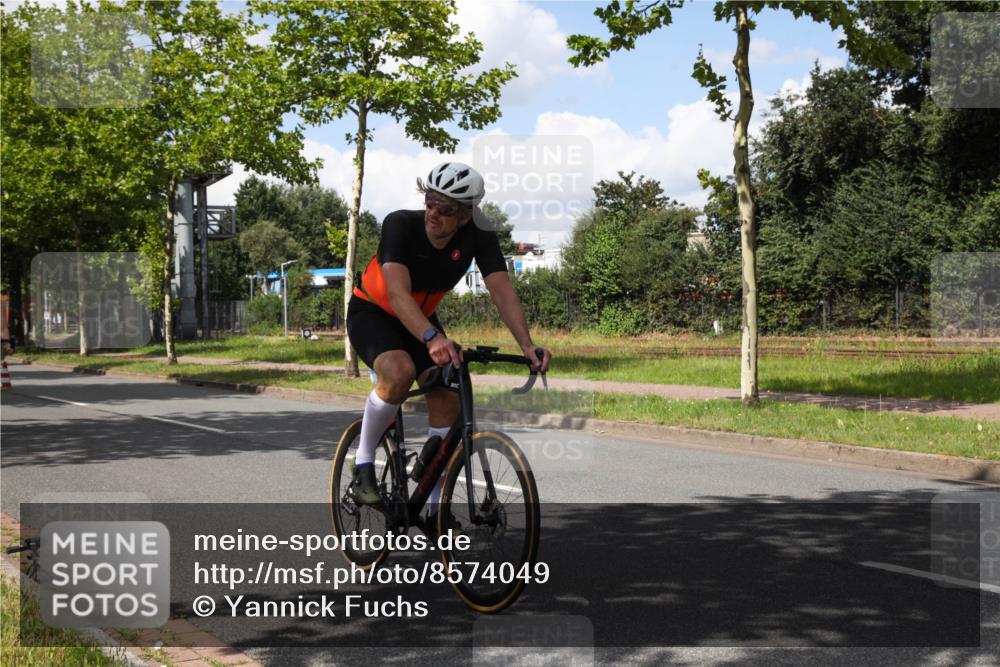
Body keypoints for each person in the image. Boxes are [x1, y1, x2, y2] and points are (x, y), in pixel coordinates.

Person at [346, 161, 551, 516]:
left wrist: (526, 345)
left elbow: (502, 290)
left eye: (446, 209)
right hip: (374, 311)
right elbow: (397, 294)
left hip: (422, 319)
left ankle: (435, 505)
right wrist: (431, 337)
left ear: (466, 215)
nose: (433, 213)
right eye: (429, 201)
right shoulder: (399, 224)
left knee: (449, 388)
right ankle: (363, 463)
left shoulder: (479, 234)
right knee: (399, 371)